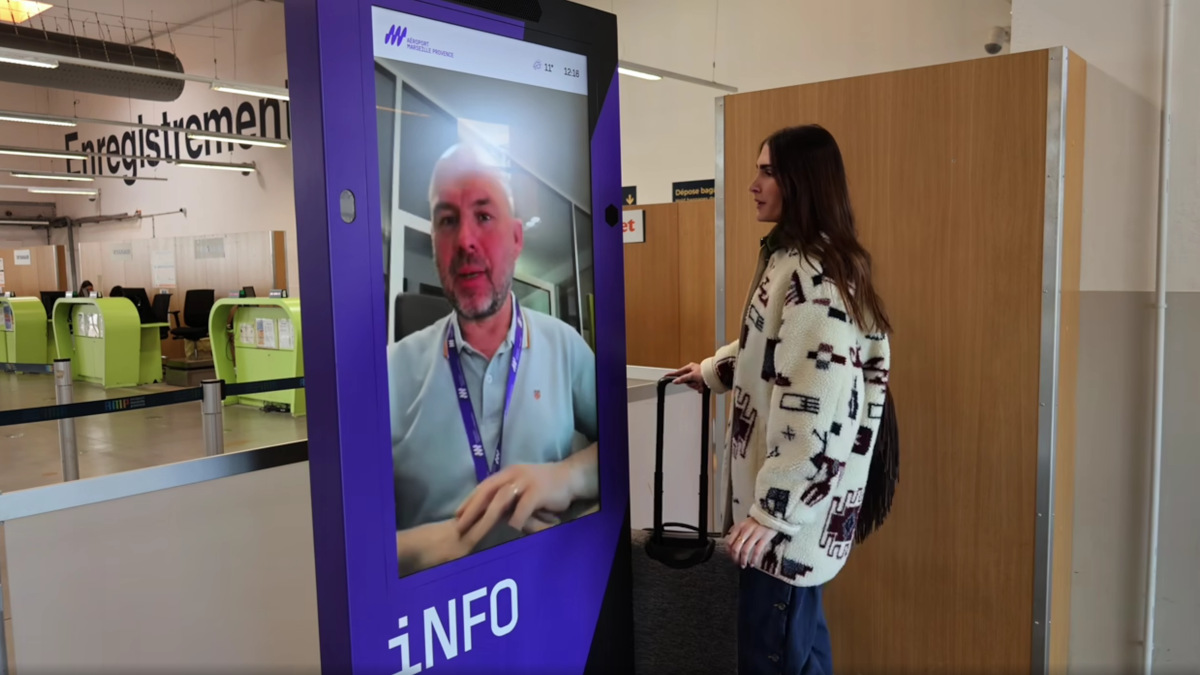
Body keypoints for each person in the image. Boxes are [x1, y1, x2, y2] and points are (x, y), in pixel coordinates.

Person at [669, 125, 897, 674]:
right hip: (800, 522)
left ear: (802, 182)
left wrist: (773, 512)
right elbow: (764, 348)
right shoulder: (795, 257)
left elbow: (812, 403)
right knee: (803, 651)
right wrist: (712, 371)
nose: (752, 184)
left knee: (771, 658)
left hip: (789, 526)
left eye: (767, 171)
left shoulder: (814, 278)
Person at [387, 143, 599, 576]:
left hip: (546, 592)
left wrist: (567, 476)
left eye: (484, 216)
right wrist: (447, 541)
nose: (465, 239)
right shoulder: (390, 372)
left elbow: (624, 449)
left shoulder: (564, 346)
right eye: (448, 220)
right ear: (434, 242)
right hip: (436, 625)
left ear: (517, 238)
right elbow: (349, 545)